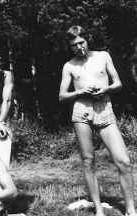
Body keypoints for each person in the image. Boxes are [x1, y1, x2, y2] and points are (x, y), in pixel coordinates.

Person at [59, 25, 137, 216]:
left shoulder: (103, 56)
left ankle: (131, 210)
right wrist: (79, 92)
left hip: (104, 108)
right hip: (81, 110)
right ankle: (99, 210)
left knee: (124, 161)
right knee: (88, 161)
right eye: (74, 45)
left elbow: (118, 83)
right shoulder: (69, 66)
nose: (79, 47)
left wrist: (106, 89)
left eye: (81, 42)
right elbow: (61, 96)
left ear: (88, 40)